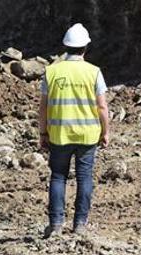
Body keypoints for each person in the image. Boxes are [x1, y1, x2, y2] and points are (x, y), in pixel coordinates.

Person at [39, 23, 111, 238]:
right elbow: (102, 107)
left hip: (59, 135)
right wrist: (105, 132)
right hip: (88, 135)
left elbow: (43, 107)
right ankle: (80, 224)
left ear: (65, 47)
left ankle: (56, 224)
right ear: (85, 48)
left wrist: (43, 133)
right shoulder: (93, 72)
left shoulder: (51, 72)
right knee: (85, 177)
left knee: (58, 177)